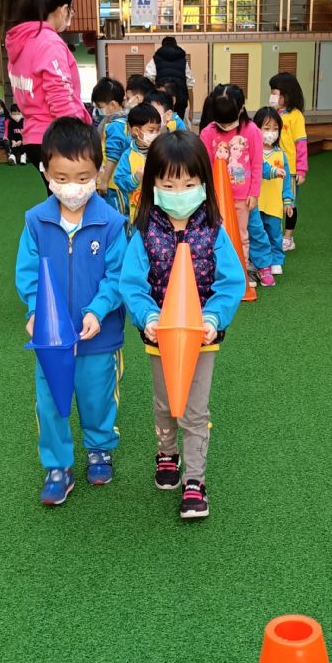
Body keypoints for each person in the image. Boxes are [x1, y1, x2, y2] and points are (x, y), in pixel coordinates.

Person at [118, 131, 243, 520]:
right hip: (160, 340)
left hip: (202, 340)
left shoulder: (214, 230)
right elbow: (131, 283)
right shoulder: (144, 232)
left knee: (194, 409)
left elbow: (231, 282)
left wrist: (213, 317)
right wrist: (148, 317)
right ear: (152, 185)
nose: (179, 193)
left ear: (203, 183)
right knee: (165, 403)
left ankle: (195, 480)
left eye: (189, 184)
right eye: (168, 185)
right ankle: (167, 453)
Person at [15, 118, 127, 507]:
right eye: (62, 178)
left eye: (83, 178)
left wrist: (98, 311)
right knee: (50, 404)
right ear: (45, 172)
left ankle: (99, 448)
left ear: (97, 172)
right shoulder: (36, 221)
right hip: (51, 341)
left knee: (98, 399)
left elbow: (118, 275)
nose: (73, 187)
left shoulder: (111, 223)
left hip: (100, 338)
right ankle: (57, 466)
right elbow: (28, 274)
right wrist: (35, 310)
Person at [5, 0, 91, 181]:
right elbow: (60, 96)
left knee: (56, 194)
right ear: (63, 9)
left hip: (33, 136)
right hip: (58, 137)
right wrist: (78, 139)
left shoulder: (21, 39)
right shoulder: (48, 42)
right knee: (72, 196)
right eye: (70, 10)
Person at [199, 83, 268, 288]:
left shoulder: (252, 131)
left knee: (241, 235)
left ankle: (241, 273)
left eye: (229, 122)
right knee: (215, 235)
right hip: (216, 197)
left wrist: (254, 193)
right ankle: (217, 274)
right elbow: (204, 166)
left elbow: (256, 164)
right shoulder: (208, 133)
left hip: (241, 197)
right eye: (222, 122)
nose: (226, 127)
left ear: (241, 109)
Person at [268, 73, 308, 252]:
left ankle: (288, 237)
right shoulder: (273, 113)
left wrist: (301, 169)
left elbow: (301, 143)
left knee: (289, 202)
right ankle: (274, 234)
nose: (272, 96)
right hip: (273, 166)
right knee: (274, 201)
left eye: (275, 93)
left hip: (289, 169)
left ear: (287, 94)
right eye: (271, 92)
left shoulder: (295, 116)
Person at [254, 107, 293, 281]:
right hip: (256, 202)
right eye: (266, 128)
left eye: (275, 129)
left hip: (274, 203)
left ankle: (276, 260)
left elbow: (287, 181)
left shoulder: (281, 154)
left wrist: (288, 201)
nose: (271, 132)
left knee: (274, 234)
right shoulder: (253, 152)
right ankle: (258, 260)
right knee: (257, 233)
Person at [113, 102, 161, 223]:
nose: (155, 134)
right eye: (151, 130)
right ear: (136, 131)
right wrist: (135, 178)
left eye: (158, 130)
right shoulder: (128, 156)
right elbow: (119, 180)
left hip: (161, 210)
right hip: (138, 212)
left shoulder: (162, 151)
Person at [91, 77, 129, 203]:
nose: (98, 110)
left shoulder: (115, 125)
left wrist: (104, 181)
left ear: (113, 105)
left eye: (100, 106)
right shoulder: (123, 121)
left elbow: (113, 154)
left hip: (113, 184)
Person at [145, 35, 194, 117]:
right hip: (180, 100)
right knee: (177, 122)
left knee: (162, 122)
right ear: (176, 45)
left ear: (162, 45)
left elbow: (148, 77)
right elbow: (190, 85)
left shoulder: (156, 58)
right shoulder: (183, 60)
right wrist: (191, 109)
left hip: (162, 100)